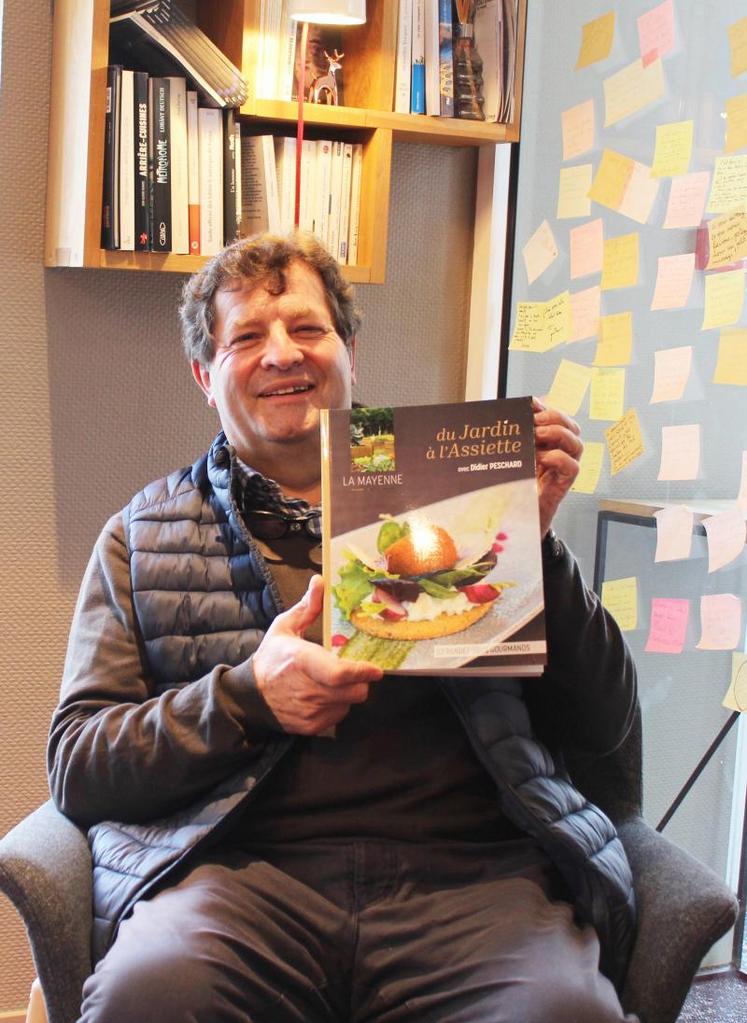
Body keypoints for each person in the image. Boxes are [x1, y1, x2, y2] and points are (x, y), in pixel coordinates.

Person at [48, 232, 639, 1023]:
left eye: (307, 329)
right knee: (146, 995)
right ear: (204, 374)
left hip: (470, 878)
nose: (282, 354)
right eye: (247, 337)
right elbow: (79, 764)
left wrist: (535, 554)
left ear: (349, 350)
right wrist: (245, 699)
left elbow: (605, 730)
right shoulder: (140, 537)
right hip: (235, 877)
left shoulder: (461, 497)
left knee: (566, 1012)